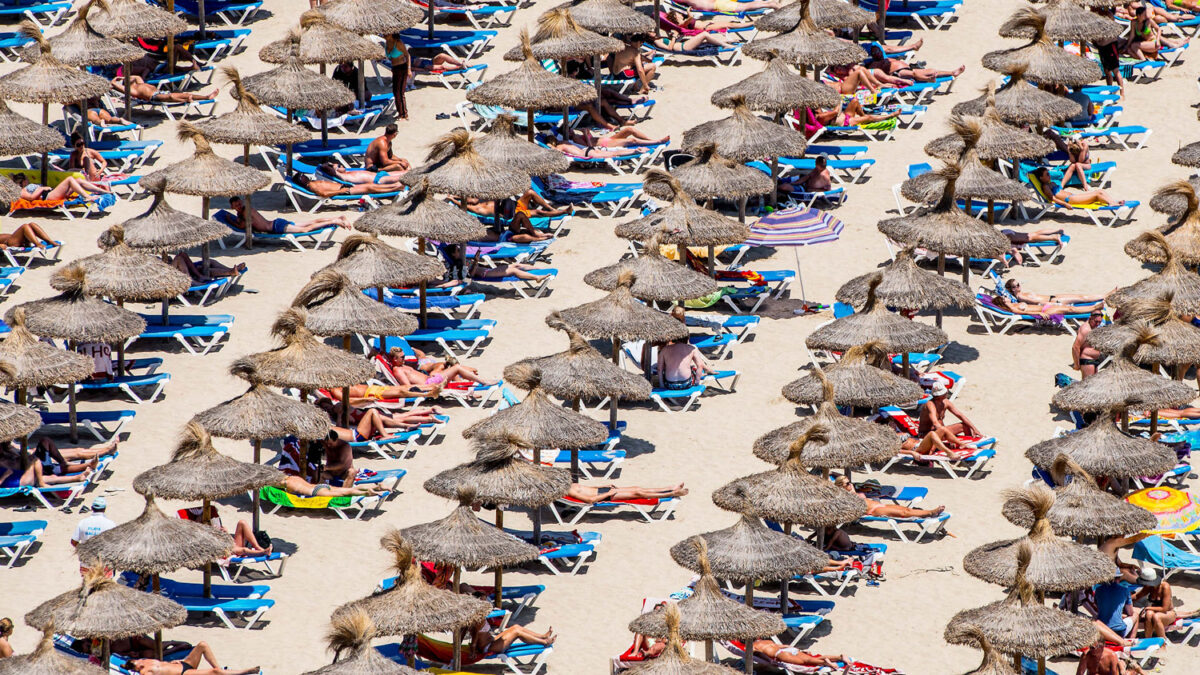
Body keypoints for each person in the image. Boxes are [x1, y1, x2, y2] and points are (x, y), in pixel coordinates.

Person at [228, 197, 350, 235]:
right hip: (276, 223)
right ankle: (337, 218)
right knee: (309, 222)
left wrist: (230, 220)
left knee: (306, 229)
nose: (238, 206)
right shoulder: (243, 211)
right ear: (232, 207)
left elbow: (244, 225)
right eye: (236, 205)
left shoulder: (244, 211)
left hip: (276, 227)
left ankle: (336, 220)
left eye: (239, 204)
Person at [382, 347, 499, 387]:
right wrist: (428, 389)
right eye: (402, 357)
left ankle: (467, 391)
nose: (404, 359)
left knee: (452, 369)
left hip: (430, 379)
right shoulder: (397, 370)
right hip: (429, 383)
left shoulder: (402, 366)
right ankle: (483, 382)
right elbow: (408, 387)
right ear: (395, 359)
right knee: (456, 368)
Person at [833, 476, 946, 517]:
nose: (850, 484)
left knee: (906, 509)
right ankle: (931, 512)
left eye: (850, 482)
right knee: (904, 513)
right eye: (847, 484)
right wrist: (850, 490)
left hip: (879, 505)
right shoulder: (846, 497)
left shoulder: (852, 491)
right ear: (841, 487)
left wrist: (851, 487)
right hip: (874, 510)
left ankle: (926, 514)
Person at [128, 641, 259, 675]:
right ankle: (247, 671)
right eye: (137, 662)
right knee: (215, 672)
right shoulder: (145, 672)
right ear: (136, 668)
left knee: (202, 645)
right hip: (184, 673)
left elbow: (163, 666)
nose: (139, 661)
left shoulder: (146, 660)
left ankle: (218, 668)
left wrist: (171, 662)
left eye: (137, 659)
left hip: (183, 664)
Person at [0, 444, 94, 489]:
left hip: (20, 477)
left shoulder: (6, 452)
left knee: (52, 478)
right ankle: (41, 483)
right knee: (35, 460)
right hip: (19, 482)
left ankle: (77, 477)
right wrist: (6, 475)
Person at [918, 382, 983, 447]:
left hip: (940, 431)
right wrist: (948, 435)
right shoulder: (930, 405)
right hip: (926, 434)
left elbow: (961, 415)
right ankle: (965, 446)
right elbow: (935, 423)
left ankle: (971, 444)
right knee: (944, 431)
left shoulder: (945, 402)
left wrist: (974, 429)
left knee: (965, 426)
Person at [865, 45, 964, 83]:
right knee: (914, 74)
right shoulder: (873, 64)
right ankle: (928, 79)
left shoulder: (887, 57)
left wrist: (912, 46)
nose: (877, 53)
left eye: (878, 51)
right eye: (874, 52)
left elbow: (891, 49)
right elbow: (878, 75)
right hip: (898, 73)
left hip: (907, 68)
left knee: (931, 70)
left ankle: (952, 72)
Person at [33, 437, 118, 478]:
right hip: (35, 466)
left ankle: (106, 450)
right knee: (77, 453)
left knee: (45, 441)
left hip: (33, 456)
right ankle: (90, 464)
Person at [467, 621, 556, 657]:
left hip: (492, 641)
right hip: (488, 647)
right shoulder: (478, 621)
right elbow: (474, 638)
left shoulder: (481, 618)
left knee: (516, 627)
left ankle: (543, 636)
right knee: (517, 633)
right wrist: (473, 651)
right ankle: (544, 642)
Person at [109, 76, 216, 105]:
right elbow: (113, 84)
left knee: (185, 93)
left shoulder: (139, 82)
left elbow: (136, 76)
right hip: (154, 97)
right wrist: (116, 80)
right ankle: (186, 100)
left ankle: (206, 97)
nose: (130, 77)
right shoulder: (132, 90)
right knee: (171, 97)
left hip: (160, 92)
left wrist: (122, 77)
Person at [11, 172, 110, 202]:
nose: (28, 181)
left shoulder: (27, 187)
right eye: (27, 179)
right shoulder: (22, 191)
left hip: (52, 192)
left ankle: (102, 191)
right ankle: (86, 196)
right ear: (23, 181)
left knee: (78, 180)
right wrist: (41, 188)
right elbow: (31, 198)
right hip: (48, 197)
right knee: (70, 179)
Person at [1005, 279, 1108, 307]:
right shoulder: (1021, 296)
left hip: (1053, 297)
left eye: (1018, 284)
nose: (1019, 286)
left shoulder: (1021, 294)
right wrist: (1054, 304)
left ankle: (1105, 295)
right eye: (1016, 286)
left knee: (1081, 296)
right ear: (1013, 289)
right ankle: (1106, 295)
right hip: (1053, 300)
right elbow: (1036, 302)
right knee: (1082, 298)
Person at [281, 472, 384, 498]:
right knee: (345, 490)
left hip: (316, 492)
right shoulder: (294, 478)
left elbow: (290, 493)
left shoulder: (287, 483)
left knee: (346, 493)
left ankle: (366, 493)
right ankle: (376, 487)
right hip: (318, 486)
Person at [566, 483, 689, 504]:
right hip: (605, 496)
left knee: (637, 488)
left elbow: (588, 488)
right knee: (638, 493)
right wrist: (609, 493)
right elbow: (590, 500)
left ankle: (670, 487)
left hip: (604, 491)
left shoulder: (569, 484)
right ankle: (670, 493)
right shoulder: (569, 490)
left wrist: (603, 486)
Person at [751, 641, 846, 668]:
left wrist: (769, 660)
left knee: (807, 661)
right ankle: (839, 657)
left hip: (780, 654)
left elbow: (758, 654)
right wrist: (798, 650)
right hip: (790, 649)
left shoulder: (753, 646)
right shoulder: (768, 641)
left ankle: (826, 663)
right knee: (810, 658)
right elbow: (785, 645)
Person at [1001, 228, 1068, 266]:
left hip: (1008, 237)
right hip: (1005, 232)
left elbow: (1018, 258)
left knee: (1031, 237)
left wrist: (1015, 257)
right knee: (1032, 234)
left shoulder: (1006, 245)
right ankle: (1056, 231)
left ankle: (1053, 237)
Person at [170, 253, 245, 284]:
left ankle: (231, 269)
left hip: (188, 268)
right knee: (207, 270)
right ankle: (230, 272)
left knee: (210, 261)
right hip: (182, 273)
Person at [317, 162, 406, 186]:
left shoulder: (348, 172)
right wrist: (331, 166)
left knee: (406, 172)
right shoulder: (343, 176)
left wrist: (333, 165)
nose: (342, 166)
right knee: (405, 177)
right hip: (378, 180)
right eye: (339, 166)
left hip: (380, 174)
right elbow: (326, 168)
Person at [671, 0, 779, 11]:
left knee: (744, 6)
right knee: (745, 5)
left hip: (719, 5)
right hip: (718, 2)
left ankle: (770, 5)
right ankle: (768, 3)